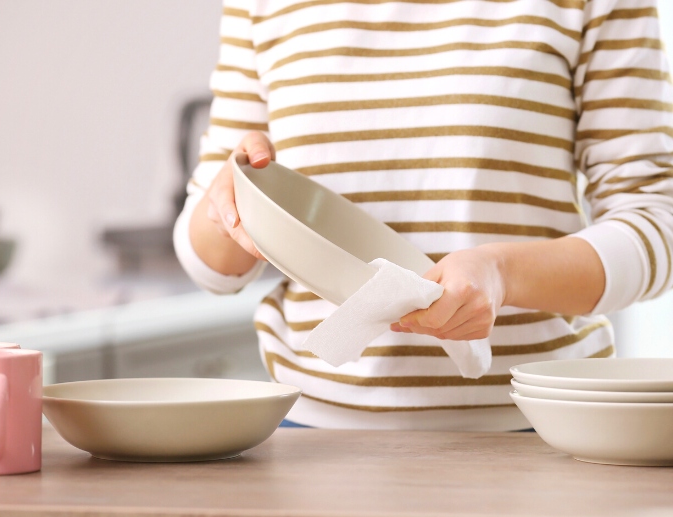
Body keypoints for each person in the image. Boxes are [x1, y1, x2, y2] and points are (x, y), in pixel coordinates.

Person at [173, 0, 673, 430]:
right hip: (310, 437)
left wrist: (501, 274)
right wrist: (232, 204)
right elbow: (212, 266)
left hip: (544, 429)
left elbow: (656, 220)